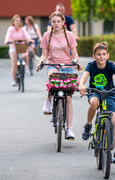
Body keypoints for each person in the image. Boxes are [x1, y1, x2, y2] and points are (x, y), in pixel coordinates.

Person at [78, 42, 115, 161]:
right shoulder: (91, 66)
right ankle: (88, 124)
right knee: (94, 103)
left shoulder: (111, 66)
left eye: (103, 54)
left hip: (109, 93)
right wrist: (81, 85)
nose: (101, 57)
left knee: (113, 120)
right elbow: (85, 76)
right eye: (98, 54)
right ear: (94, 56)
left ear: (107, 56)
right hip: (94, 92)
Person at [37, 11, 82, 139]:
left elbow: (75, 54)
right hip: (52, 64)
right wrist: (41, 63)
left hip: (67, 66)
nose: (56, 24)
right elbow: (44, 55)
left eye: (58, 22)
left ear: (63, 23)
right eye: (53, 22)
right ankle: (48, 100)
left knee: (68, 98)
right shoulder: (46, 36)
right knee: (53, 77)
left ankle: (69, 129)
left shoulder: (69, 35)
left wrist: (76, 63)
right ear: (51, 23)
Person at [4, 14, 31, 86]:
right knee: (14, 63)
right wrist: (7, 40)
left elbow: (27, 36)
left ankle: (26, 67)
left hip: (21, 47)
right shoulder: (10, 29)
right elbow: (8, 36)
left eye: (19, 21)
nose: (18, 22)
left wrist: (29, 40)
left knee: (26, 55)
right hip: (13, 47)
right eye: (16, 21)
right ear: (13, 22)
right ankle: (13, 80)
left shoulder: (22, 29)